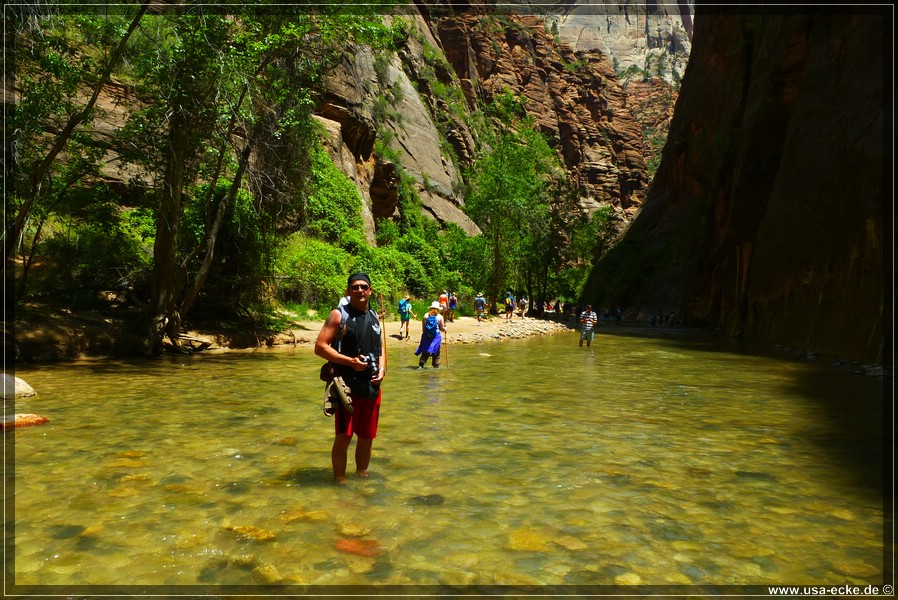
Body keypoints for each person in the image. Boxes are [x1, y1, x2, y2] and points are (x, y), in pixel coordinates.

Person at [314, 272, 386, 484]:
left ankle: (362, 476)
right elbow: (320, 347)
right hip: (347, 387)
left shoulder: (374, 316)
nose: (360, 290)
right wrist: (350, 362)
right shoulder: (339, 315)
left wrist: (382, 369)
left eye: (364, 287)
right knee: (344, 436)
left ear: (370, 290)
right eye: (355, 287)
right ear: (348, 291)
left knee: (367, 437)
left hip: (372, 386)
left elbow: (380, 348)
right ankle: (339, 479)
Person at [415, 301, 446, 368]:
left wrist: (425, 336)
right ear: (438, 309)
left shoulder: (425, 315)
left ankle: (421, 366)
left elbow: (423, 329)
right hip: (436, 337)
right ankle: (436, 367)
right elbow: (442, 328)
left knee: (425, 351)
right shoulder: (440, 317)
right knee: (436, 353)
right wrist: (445, 328)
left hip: (426, 336)